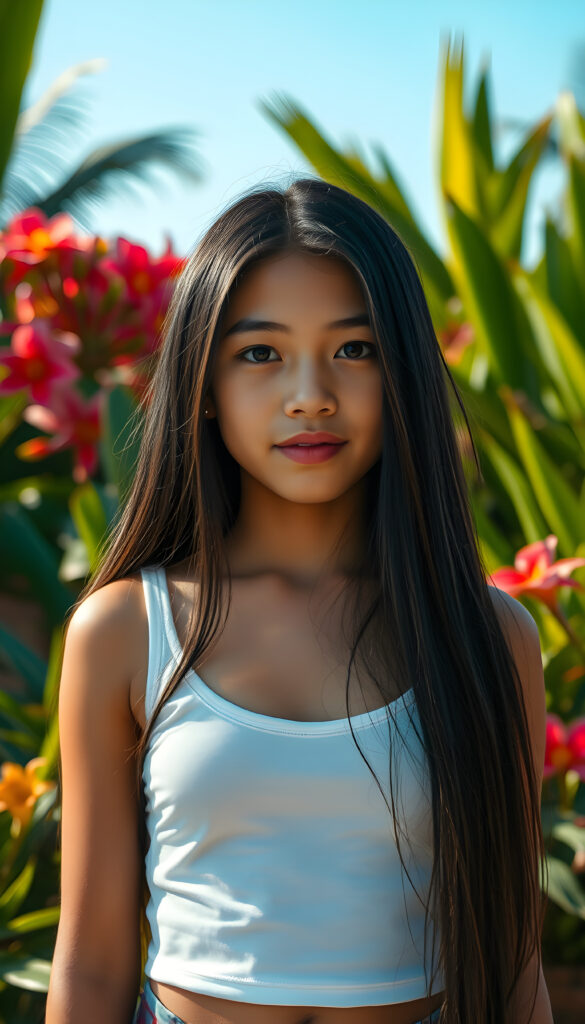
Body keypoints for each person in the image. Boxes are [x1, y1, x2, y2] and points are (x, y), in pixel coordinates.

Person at [45, 176, 553, 1024]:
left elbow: (512, 971)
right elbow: (90, 967)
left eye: (354, 349)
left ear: (405, 377)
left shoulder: (487, 638)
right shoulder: (126, 633)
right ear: (201, 386)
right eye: (260, 353)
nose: (309, 392)